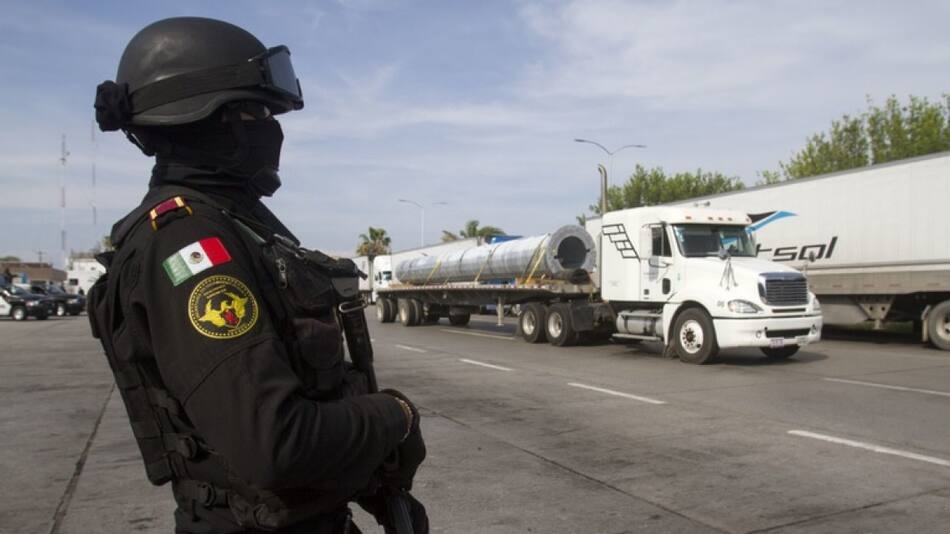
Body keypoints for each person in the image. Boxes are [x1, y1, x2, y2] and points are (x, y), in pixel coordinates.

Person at [88, 17, 427, 534]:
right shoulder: (189, 244)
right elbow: (274, 442)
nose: (271, 127)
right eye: (256, 110)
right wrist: (395, 415)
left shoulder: (241, 225)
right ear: (205, 115)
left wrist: (368, 478)